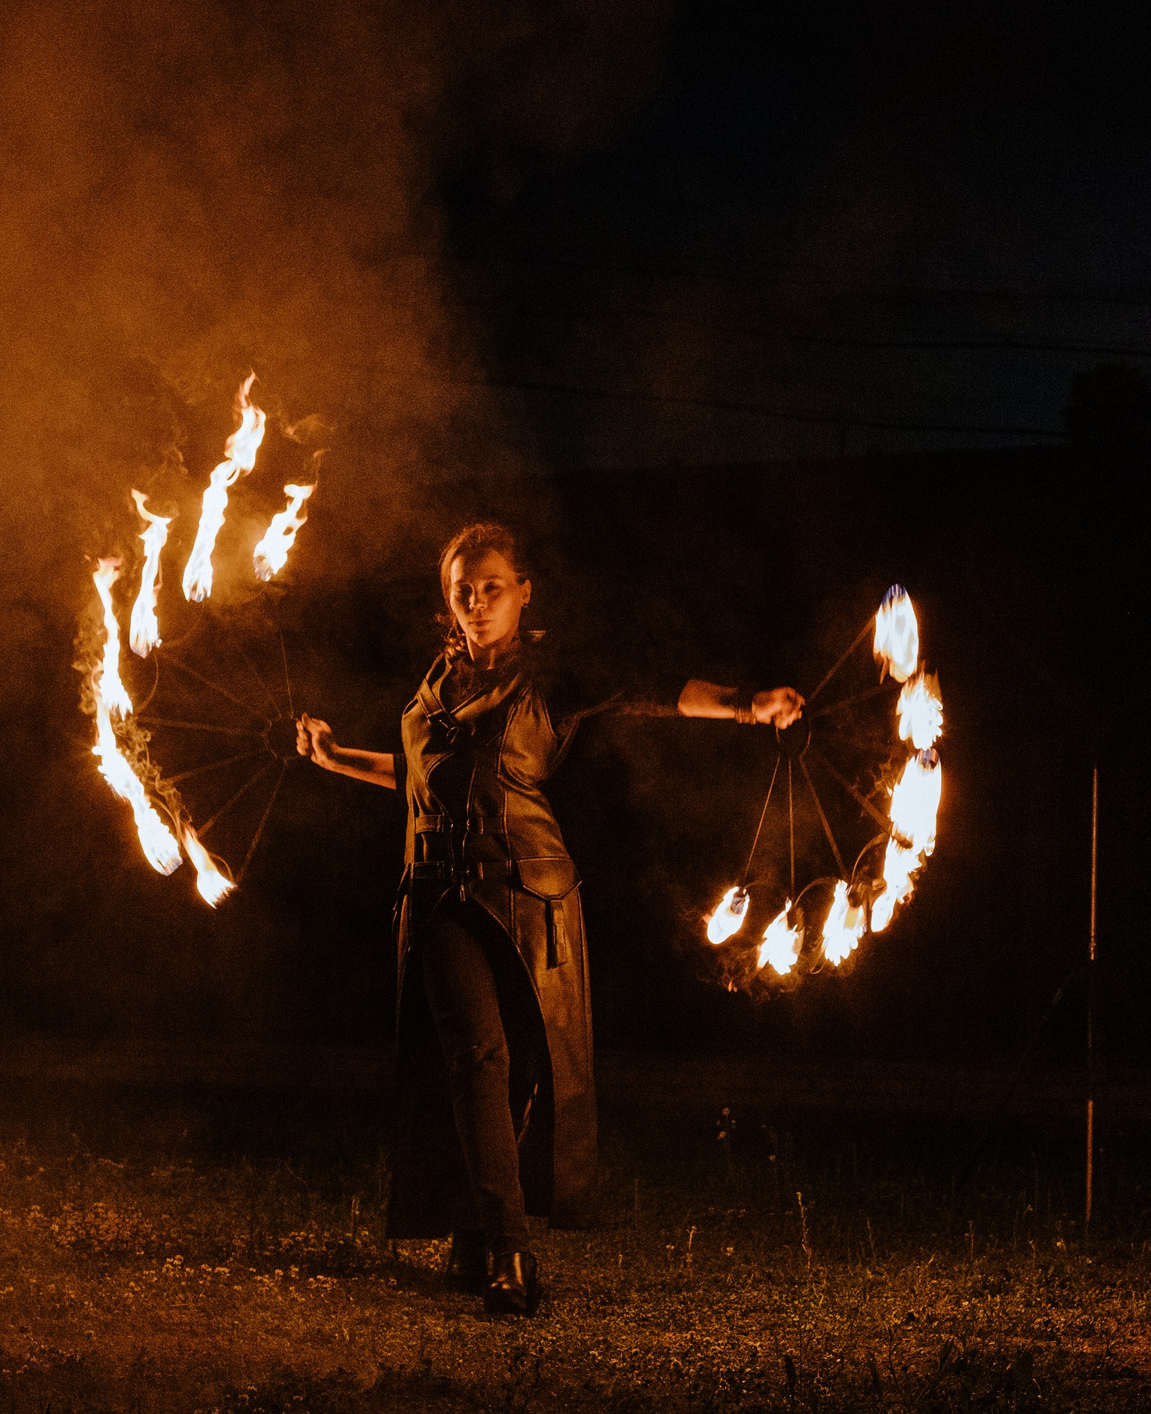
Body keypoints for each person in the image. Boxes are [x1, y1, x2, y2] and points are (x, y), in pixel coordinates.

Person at [294, 521, 803, 1316]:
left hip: (529, 890)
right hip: (436, 893)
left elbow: (644, 687)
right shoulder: (433, 687)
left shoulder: (549, 678)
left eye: (492, 586)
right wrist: (334, 758)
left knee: (530, 1069)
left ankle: (476, 1227)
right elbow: (422, 779)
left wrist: (745, 705)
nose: (476, 601)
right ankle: (509, 1249)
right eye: (462, 589)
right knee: (474, 1056)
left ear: (524, 591)